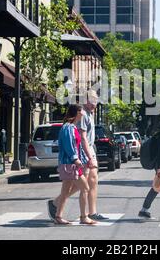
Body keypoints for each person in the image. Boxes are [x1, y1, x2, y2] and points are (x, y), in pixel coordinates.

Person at [48, 90, 108, 221]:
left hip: (80, 156)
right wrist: (82, 158)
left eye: (96, 101)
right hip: (76, 158)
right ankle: (81, 214)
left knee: (87, 183)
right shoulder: (73, 124)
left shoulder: (87, 115)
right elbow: (80, 140)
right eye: (92, 101)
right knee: (84, 185)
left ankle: (80, 212)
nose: (94, 104)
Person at [53, 104, 96, 225]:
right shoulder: (68, 128)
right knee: (85, 188)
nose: (83, 113)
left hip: (69, 164)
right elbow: (69, 146)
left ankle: (58, 216)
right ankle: (84, 217)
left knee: (65, 191)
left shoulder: (72, 127)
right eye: (81, 111)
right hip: (69, 164)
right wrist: (76, 160)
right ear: (76, 113)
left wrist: (85, 159)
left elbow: (77, 146)